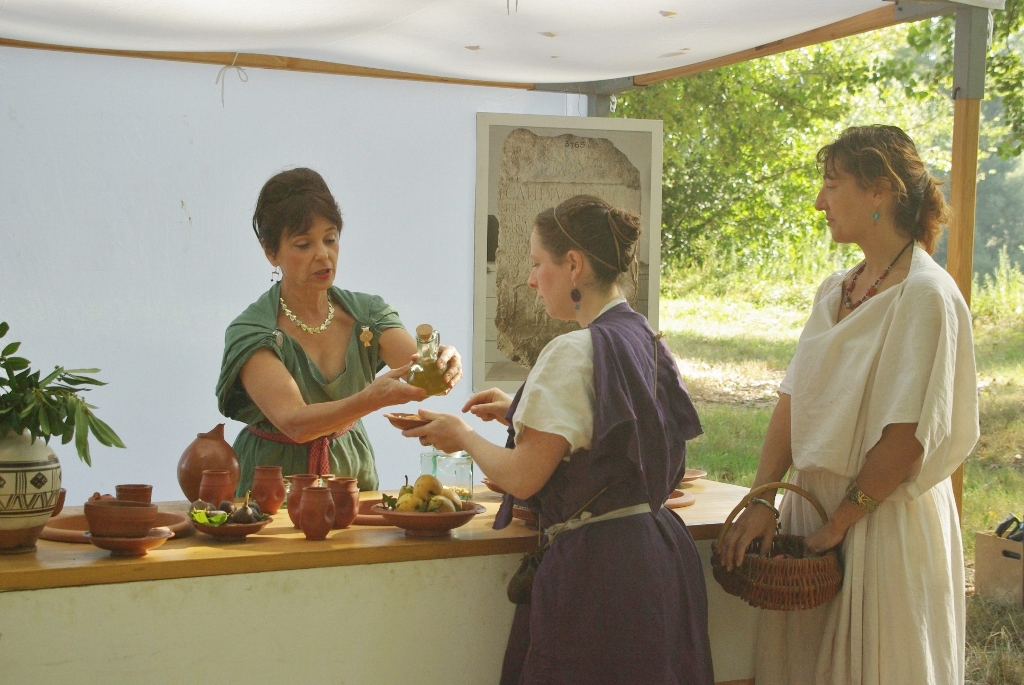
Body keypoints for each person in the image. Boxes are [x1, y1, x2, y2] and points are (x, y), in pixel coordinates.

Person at [405, 195, 714, 685]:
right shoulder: (646, 338)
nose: (531, 279)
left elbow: (524, 478)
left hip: (600, 573)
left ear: (573, 265)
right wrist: (520, 410)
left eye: (536, 263)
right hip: (659, 557)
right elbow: (613, 430)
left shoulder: (572, 351)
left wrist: (462, 436)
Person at [718, 125, 979, 684]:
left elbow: (906, 438)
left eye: (832, 185)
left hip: (881, 523)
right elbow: (793, 398)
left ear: (880, 189)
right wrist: (764, 498)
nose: (820, 201)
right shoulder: (835, 289)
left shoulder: (924, 295)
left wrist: (839, 524)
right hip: (813, 509)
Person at [216, 168, 462, 495]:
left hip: (351, 473)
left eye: (330, 239)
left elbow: (418, 374)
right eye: (303, 244)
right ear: (270, 252)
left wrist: (442, 364)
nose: (323, 254)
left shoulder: (366, 315)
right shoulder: (253, 331)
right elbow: (296, 423)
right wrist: (369, 399)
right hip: (272, 483)